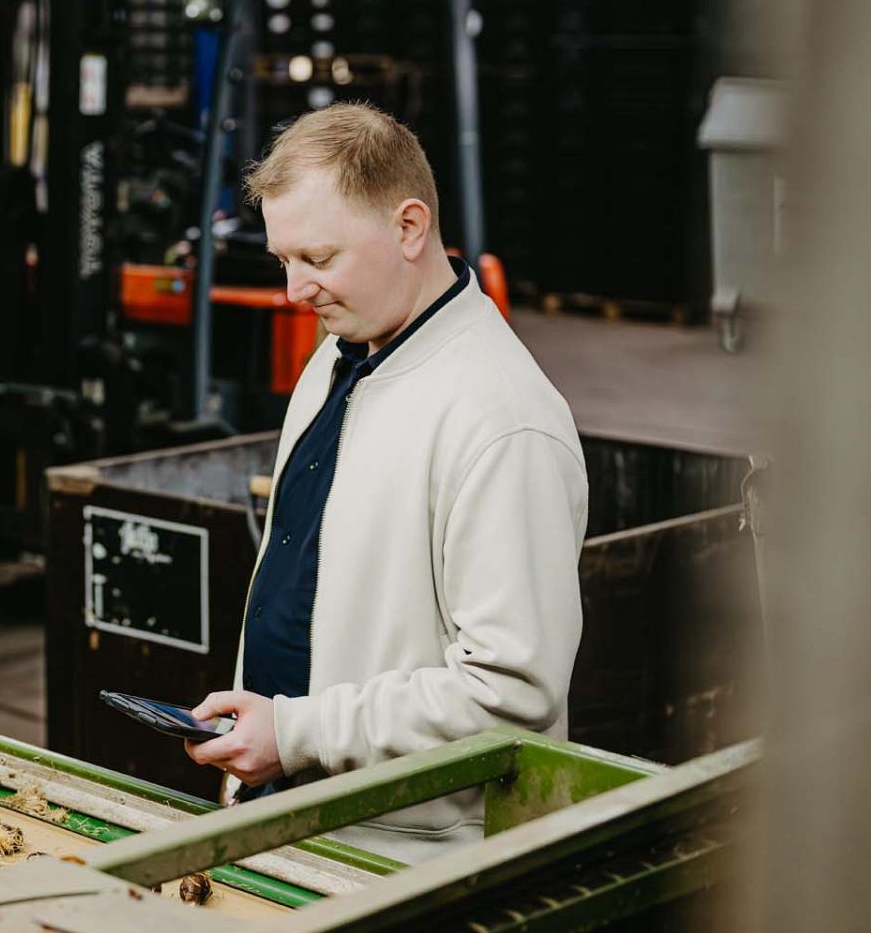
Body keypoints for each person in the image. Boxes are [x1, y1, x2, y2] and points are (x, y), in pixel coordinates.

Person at [185, 102, 587, 863]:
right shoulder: (343, 352)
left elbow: (513, 691)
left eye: (320, 258)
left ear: (408, 228)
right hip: (295, 815)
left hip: (399, 853)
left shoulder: (501, 419)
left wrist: (300, 733)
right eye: (284, 262)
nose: (295, 291)